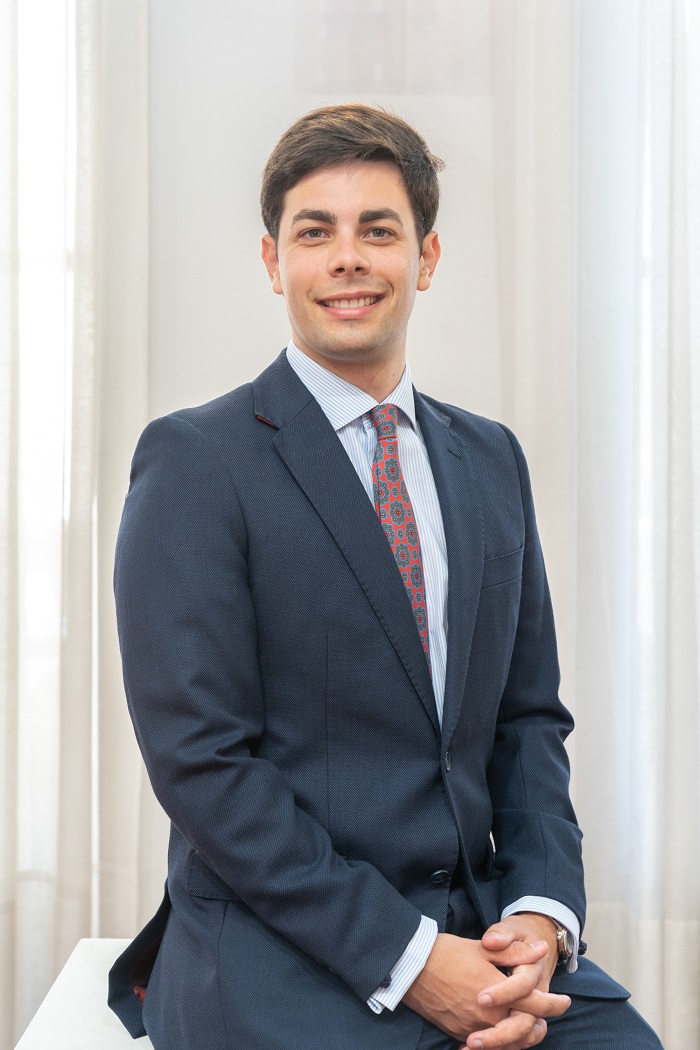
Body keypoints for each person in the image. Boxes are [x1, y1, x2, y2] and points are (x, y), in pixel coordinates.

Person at [108, 104, 662, 1050]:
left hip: (483, 932)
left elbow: (529, 719)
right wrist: (410, 958)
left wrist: (539, 913)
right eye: (314, 233)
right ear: (273, 261)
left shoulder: (492, 459)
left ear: (427, 257)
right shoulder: (196, 461)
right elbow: (202, 764)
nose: (347, 259)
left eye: (378, 230)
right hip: (288, 952)